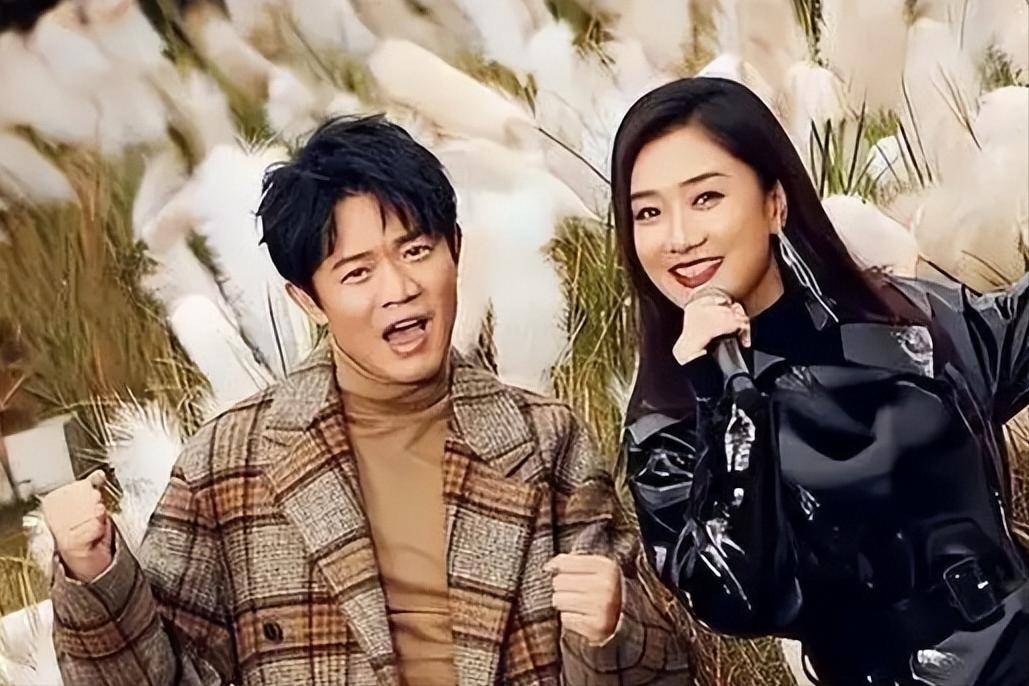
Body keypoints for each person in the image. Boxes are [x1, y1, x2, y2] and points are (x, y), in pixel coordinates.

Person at [43, 115, 691, 685]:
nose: (399, 288)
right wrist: (93, 574)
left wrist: (612, 631)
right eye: (357, 272)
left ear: (455, 251)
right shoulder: (229, 464)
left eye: (417, 250)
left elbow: (656, 674)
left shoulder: (547, 441)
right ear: (308, 300)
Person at [610, 77, 1029, 685]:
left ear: (774, 203)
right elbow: (732, 592)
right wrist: (724, 394)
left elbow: (1014, 334)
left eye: (705, 198)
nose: (679, 237)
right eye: (649, 212)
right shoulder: (669, 424)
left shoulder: (899, 318)